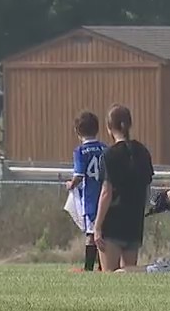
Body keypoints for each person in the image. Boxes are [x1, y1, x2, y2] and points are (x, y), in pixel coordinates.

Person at [93, 104, 154, 272]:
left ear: (108, 127)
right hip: (134, 223)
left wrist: (97, 227)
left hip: (113, 224)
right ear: (130, 124)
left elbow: (106, 192)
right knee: (130, 275)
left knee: (111, 276)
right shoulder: (142, 152)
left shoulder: (109, 155)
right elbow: (147, 186)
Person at [66, 111, 107, 272]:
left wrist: (70, 184)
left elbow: (79, 175)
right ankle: (102, 265)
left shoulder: (80, 151)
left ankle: (89, 267)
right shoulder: (105, 148)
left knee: (91, 234)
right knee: (102, 232)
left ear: (77, 131)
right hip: (106, 195)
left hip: (90, 198)